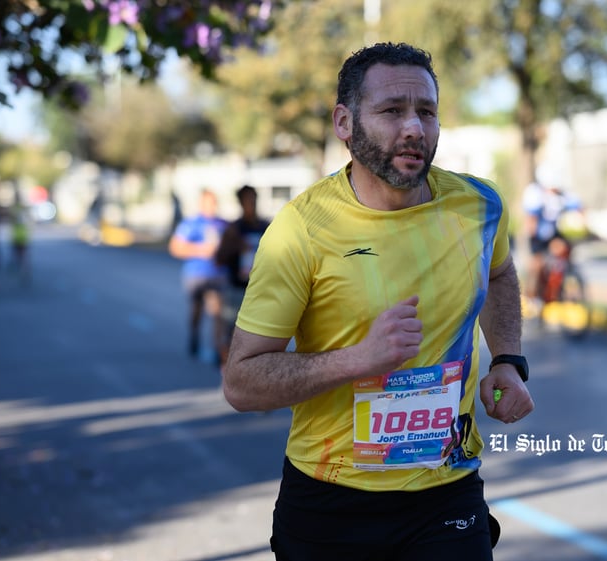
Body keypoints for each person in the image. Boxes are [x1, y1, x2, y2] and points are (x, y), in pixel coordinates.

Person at [221, 42, 534, 561]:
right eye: (392, 111)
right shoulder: (301, 230)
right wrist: (358, 359)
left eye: (427, 112)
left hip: (446, 490)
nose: (414, 127)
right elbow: (241, 383)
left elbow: (499, 273)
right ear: (344, 123)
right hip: (331, 501)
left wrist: (507, 360)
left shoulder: (479, 206)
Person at [168, 189, 228, 360]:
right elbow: (176, 248)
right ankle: (194, 336)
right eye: (208, 202)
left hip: (217, 275)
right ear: (202, 203)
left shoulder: (222, 224)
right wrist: (201, 250)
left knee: (217, 312)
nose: (212, 206)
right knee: (197, 310)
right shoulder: (191, 223)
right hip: (196, 275)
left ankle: (218, 347)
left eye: (214, 202)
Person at [214, 185, 270, 366]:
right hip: (237, 288)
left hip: (260, 289)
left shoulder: (266, 227)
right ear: (240, 202)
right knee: (233, 331)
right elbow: (218, 259)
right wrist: (236, 246)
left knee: (261, 334)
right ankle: (228, 369)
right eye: (247, 200)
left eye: (253, 199)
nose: (251, 204)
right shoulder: (233, 229)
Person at [521, 163, 583, 301]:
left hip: (557, 233)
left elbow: (578, 207)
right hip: (539, 236)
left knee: (565, 254)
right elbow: (531, 219)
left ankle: (563, 286)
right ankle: (531, 294)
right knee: (536, 264)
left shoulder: (563, 195)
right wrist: (532, 232)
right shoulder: (535, 193)